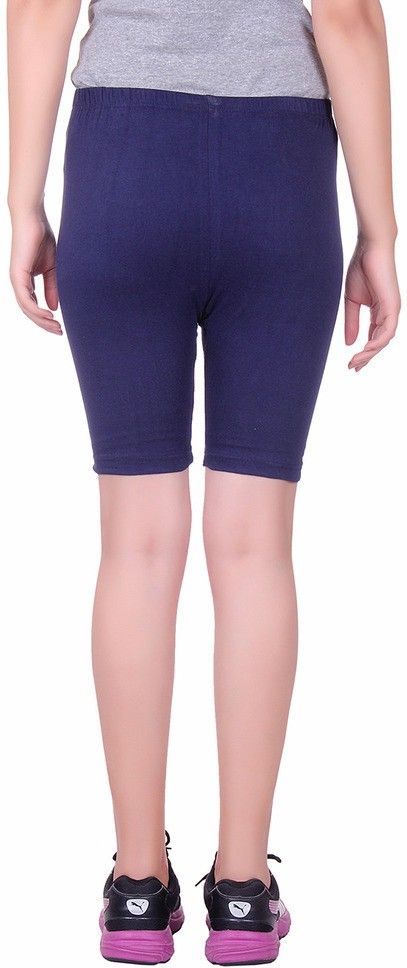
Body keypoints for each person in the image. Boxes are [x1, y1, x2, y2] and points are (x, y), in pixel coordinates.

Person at [7, 1, 400, 965]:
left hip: (123, 162)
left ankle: (139, 890)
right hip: (279, 173)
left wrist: (24, 206)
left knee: (137, 546)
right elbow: (348, 20)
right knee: (253, 545)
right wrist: (378, 234)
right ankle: (243, 891)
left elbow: (41, 7)